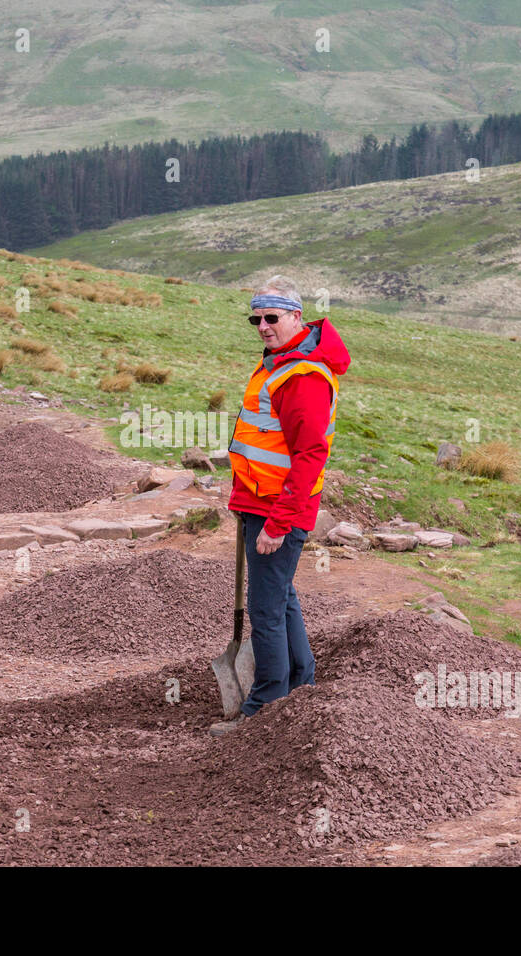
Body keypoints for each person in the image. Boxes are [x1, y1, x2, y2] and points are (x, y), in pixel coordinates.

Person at [211, 275, 350, 736]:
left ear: (296, 315)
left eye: (272, 318)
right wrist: (243, 500)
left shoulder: (303, 375)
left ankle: (264, 707)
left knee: (266, 607)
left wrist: (277, 522)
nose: (263, 326)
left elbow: (310, 455)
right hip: (259, 502)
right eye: (257, 318)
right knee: (283, 596)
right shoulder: (279, 361)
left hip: (278, 510)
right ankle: (301, 684)